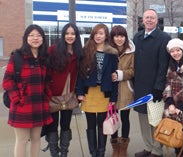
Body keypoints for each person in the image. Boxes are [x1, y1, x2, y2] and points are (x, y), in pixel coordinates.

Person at [2, 24, 53, 157]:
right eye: (31, 35)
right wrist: (17, 99)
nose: (35, 38)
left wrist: (47, 96)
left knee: (36, 139)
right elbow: (7, 81)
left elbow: (47, 81)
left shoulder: (44, 58)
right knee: (22, 140)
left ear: (43, 38)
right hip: (22, 106)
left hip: (39, 105)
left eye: (38, 35)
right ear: (26, 38)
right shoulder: (18, 56)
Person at [75, 23, 118, 157]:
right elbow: (79, 74)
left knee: (102, 126)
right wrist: (80, 93)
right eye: (96, 33)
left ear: (106, 36)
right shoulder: (85, 50)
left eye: (101, 33)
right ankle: (93, 153)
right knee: (91, 125)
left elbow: (114, 77)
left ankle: (101, 153)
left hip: (104, 94)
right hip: (89, 94)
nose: (98, 36)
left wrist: (113, 98)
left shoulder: (112, 53)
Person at [133, 9, 171, 157]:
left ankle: (157, 149)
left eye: (152, 18)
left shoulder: (163, 38)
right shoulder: (137, 37)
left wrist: (158, 87)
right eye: (146, 17)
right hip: (139, 86)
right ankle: (148, 147)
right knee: (143, 119)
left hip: (155, 88)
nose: (149, 20)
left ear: (157, 20)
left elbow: (163, 66)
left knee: (155, 120)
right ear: (143, 20)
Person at [46, 23, 83, 157]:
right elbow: (46, 72)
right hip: (54, 96)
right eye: (67, 33)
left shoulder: (79, 52)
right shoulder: (53, 50)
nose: (70, 36)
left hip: (69, 95)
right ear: (63, 35)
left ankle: (64, 153)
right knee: (52, 126)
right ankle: (54, 153)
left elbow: (80, 74)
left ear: (76, 36)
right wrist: (47, 92)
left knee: (66, 125)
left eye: (73, 33)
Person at [110, 25, 135, 157]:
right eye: (116, 36)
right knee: (112, 118)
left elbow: (133, 70)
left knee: (125, 118)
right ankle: (115, 147)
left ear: (125, 37)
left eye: (121, 36)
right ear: (112, 37)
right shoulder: (107, 50)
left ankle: (123, 148)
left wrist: (120, 75)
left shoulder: (131, 51)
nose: (119, 39)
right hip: (111, 90)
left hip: (126, 89)